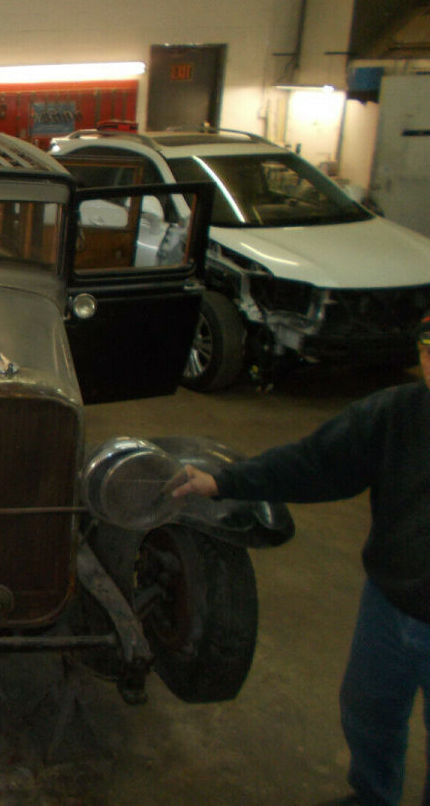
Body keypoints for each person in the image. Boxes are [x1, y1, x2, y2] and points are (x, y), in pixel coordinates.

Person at [172, 311, 430, 806]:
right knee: (369, 709)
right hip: (389, 602)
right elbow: (316, 462)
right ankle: (373, 796)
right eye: (426, 349)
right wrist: (225, 481)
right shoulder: (398, 414)